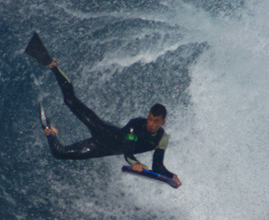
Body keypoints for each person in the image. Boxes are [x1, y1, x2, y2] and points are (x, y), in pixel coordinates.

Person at [38, 55, 182, 188]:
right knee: (70, 101)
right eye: (150, 119)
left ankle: (51, 132)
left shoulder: (162, 139)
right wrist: (136, 163)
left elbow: (157, 166)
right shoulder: (136, 125)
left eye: (156, 121)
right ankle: (54, 66)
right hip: (103, 130)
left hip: (100, 148)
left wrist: (170, 175)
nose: (151, 124)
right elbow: (128, 151)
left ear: (162, 123)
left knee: (58, 152)